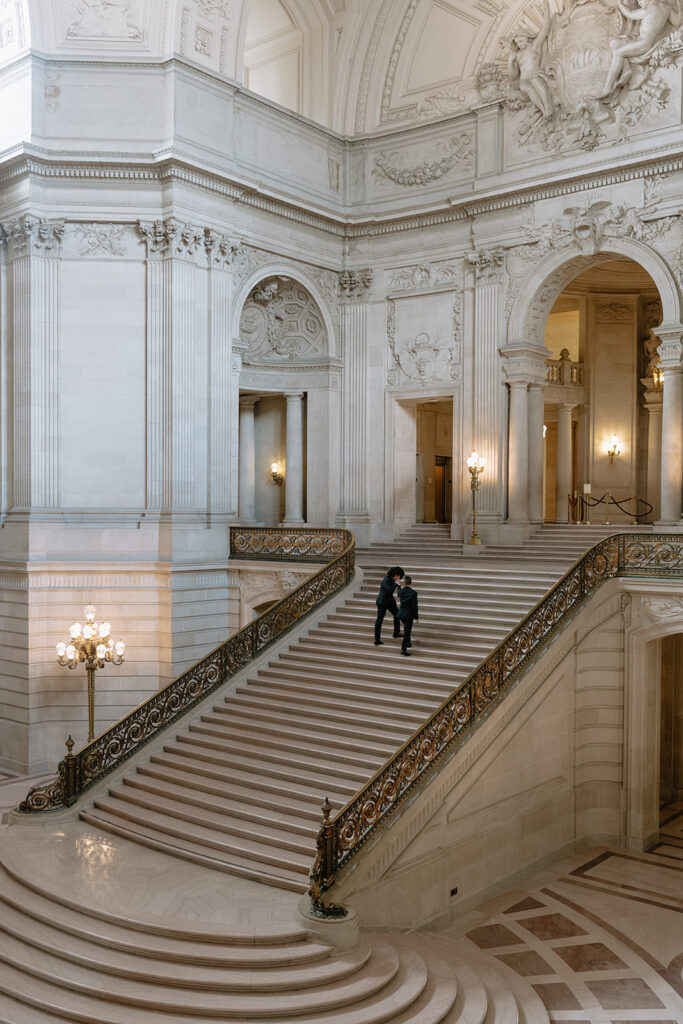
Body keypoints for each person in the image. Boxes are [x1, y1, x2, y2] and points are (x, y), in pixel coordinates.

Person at [374, 566, 404, 645]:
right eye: (398, 576)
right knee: (379, 620)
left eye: (400, 576)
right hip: (383, 602)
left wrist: (399, 587)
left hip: (388, 601)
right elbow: (389, 591)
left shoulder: (394, 580)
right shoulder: (386, 580)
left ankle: (396, 633)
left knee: (397, 615)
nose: (399, 578)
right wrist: (396, 584)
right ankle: (377, 639)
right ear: (395, 574)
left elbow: (399, 590)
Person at [396, 576, 419, 656]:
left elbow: (398, 592)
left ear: (404, 583)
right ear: (411, 583)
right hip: (409, 615)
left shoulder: (401, 591)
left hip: (401, 614)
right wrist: (416, 617)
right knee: (407, 632)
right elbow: (414, 606)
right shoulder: (413, 593)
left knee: (406, 629)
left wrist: (399, 585)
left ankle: (408, 643)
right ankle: (403, 649)